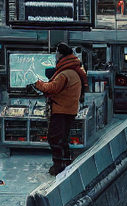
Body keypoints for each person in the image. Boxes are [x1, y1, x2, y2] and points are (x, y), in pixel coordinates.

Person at [31, 43, 87, 174]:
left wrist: (37, 83)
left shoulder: (64, 74)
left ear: (60, 55)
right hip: (69, 110)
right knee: (63, 138)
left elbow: (52, 88)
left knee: (55, 138)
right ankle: (66, 162)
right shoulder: (73, 71)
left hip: (61, 111)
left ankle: (58, 165)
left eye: (56, 53)